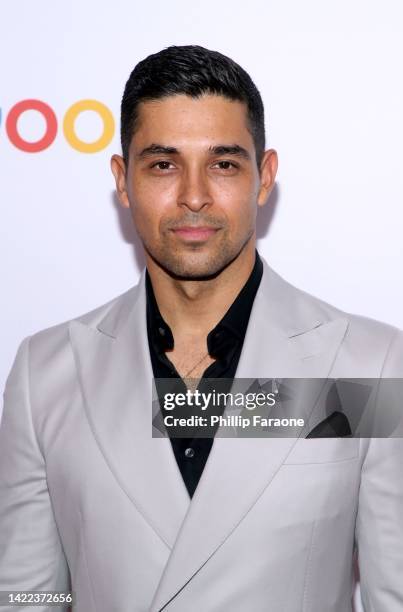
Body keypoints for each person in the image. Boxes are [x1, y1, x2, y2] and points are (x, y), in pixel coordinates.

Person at [0, 45, 402, 612]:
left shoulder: (370, 364)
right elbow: (26, 598)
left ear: (264, 178)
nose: (193, 196)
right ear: (123, 179)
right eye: (163, 164)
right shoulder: (46, 374)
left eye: (223, 164)